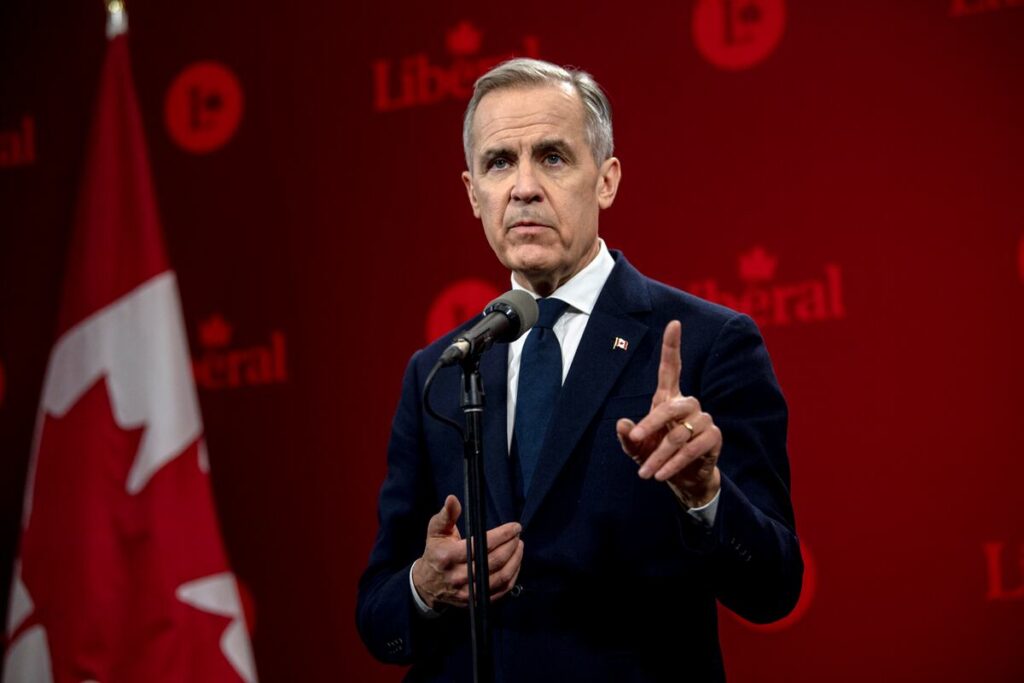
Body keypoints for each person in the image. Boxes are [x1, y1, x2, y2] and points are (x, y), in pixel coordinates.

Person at [357, 58, 802, 682]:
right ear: (473, 194)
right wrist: (426, 586)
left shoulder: (709, 343)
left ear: (606, 180)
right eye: (499, 163)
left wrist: (705, 495)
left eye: (553, 157)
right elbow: (379, 616)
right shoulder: (439, 371)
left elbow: (774, 585)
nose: (524, 187)